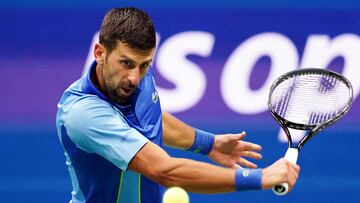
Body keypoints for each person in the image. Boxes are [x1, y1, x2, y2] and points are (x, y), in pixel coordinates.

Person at [56, 7, 300, 203]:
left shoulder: (136, 78)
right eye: (126, 63)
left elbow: (149, 118)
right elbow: (164, 171)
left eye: (144, 65)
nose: (134, 77)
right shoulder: (83, 114)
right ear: (100, 52)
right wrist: (261, 177)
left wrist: (208, 144)